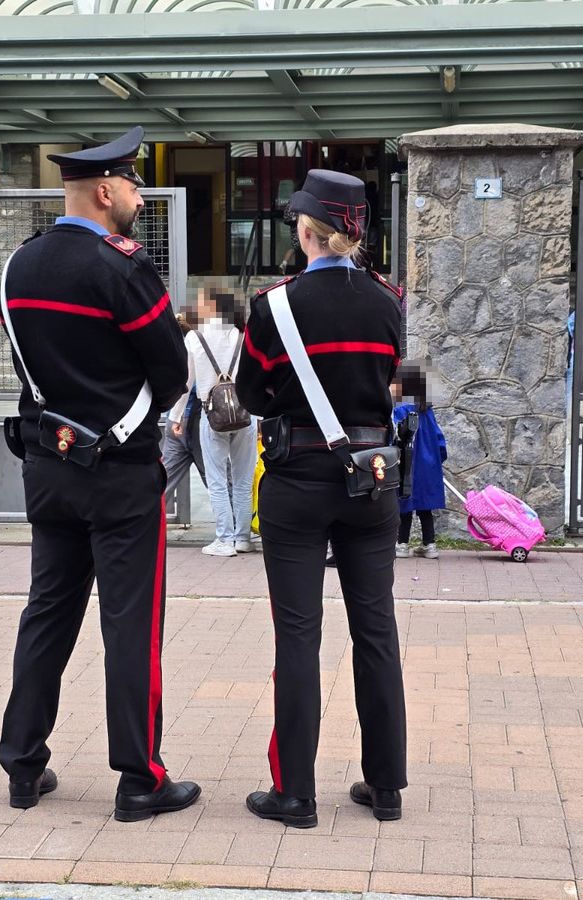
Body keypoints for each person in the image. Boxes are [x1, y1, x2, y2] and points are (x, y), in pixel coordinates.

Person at [0, 126, 201, 822]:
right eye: (135, 187)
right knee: (130, 627)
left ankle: (23, 765)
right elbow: (171, 372)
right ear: (107, 191)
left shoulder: (18, 266)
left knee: (47, 614)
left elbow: (30, 365)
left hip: (47, 468)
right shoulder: (124, 268)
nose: (140, 200)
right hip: (120, 472)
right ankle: (140, 779)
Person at [236, 169, 407, 827]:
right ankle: (385, 788)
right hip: (371, 479)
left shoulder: (274, 306)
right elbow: (398, 380)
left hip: (297, 479)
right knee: (377, 632)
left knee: (298, 637)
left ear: (306, 231)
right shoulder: (389, 301)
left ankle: (296, 795)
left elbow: (251, 395)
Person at [168, 282, 257, 557]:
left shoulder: (195, 338)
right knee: (243, 480)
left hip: (212, 415)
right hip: (245, 414)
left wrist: (176, 416)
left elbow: (185, 383)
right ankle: (242, 538)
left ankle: (224, 539)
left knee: (217, 479)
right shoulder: (244, 335)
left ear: (212, 305)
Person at [393, 360, 447, 560]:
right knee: (425, 507)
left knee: (405, 504)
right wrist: (437, 461)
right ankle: (429, 545)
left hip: (407, 464)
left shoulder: (400, 409)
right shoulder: (427, 411)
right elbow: (440, 440)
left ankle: (402, 544)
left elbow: (395, 437)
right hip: (427, 465)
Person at [161, 315, 207, 498]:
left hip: (174, 420)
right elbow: (195, 386)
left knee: (162, 484)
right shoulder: (199, 345)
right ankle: (238, 516)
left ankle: (149, 514)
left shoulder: (172, 348)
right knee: (221, 483)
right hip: (198, 422)